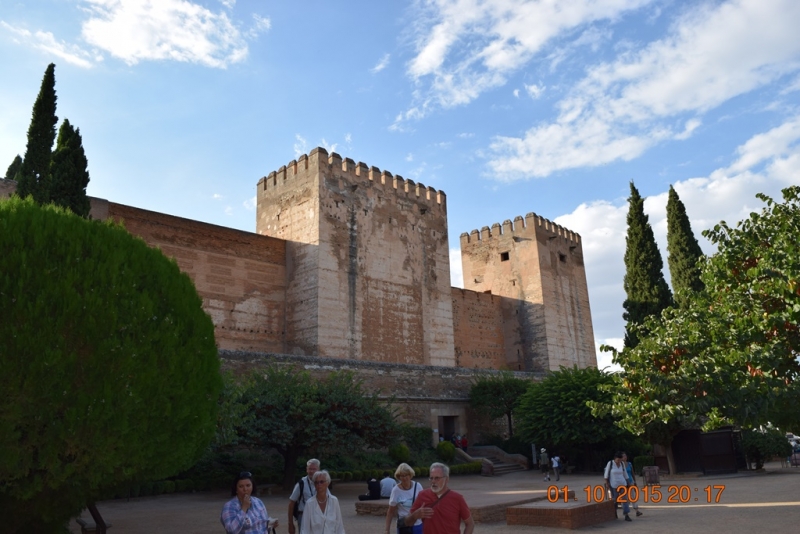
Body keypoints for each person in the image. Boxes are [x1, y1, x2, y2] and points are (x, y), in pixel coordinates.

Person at [405, 462, 474, 534]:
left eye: (437, 478)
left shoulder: (457, 498)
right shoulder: (422, 495)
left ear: (446, 479)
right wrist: (414, 516)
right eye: (431, 478)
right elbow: (407, 522)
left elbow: (470, 524)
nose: (433, 481)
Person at [384, 463, 424, 534]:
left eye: (406, 475)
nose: (404, 478)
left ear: (410, 475)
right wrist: (387, 530)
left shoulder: (418, 486)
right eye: (402, 476)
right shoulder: (396, 490)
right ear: (399, 477)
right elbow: (390, 512)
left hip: (417, 524)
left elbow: (423, 504)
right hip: (404, 525)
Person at [288, 458, 319, 534]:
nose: (311, 471)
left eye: (314, 469)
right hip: (304, 516)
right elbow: (291, 503)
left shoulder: (322, 482)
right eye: (310, 469)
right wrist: (290, 524)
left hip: (319, 516)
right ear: (306, 470)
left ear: (318, 469)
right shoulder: (301, 483)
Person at [604, 451, 632, 521]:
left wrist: (628, 483)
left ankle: (626, 514)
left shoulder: (622, 464)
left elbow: (625, 474)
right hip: (614, 485)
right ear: (615, 459)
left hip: (622, 483)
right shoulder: (610, 463)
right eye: (617, 460)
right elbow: (606, 475)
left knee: (624, 499)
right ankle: (614, 512)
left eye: (620, 460)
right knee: (615, 500)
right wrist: (607, 483)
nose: (619, 461)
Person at [622, 452, 643, 517]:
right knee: (626, 497)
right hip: (624, 483)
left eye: (625, 456)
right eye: (623, 456)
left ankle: (637, 510)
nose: (625, 457)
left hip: (631, 481)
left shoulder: (629, 464)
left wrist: (635, 481)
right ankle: (626, 511)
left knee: (633, 496)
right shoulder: (620, 465)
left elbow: (632, 473)